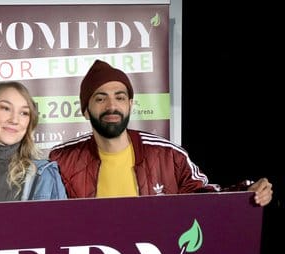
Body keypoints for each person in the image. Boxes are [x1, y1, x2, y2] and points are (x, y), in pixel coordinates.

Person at [49, 59, 273, 206]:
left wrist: (246, 192)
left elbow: (205, 199)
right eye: (100, 98)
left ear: (130, 105)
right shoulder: (61, 160)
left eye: (120, 97)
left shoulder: (168, 156)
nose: (111, 106)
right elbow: (45, 216)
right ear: (86, 111)